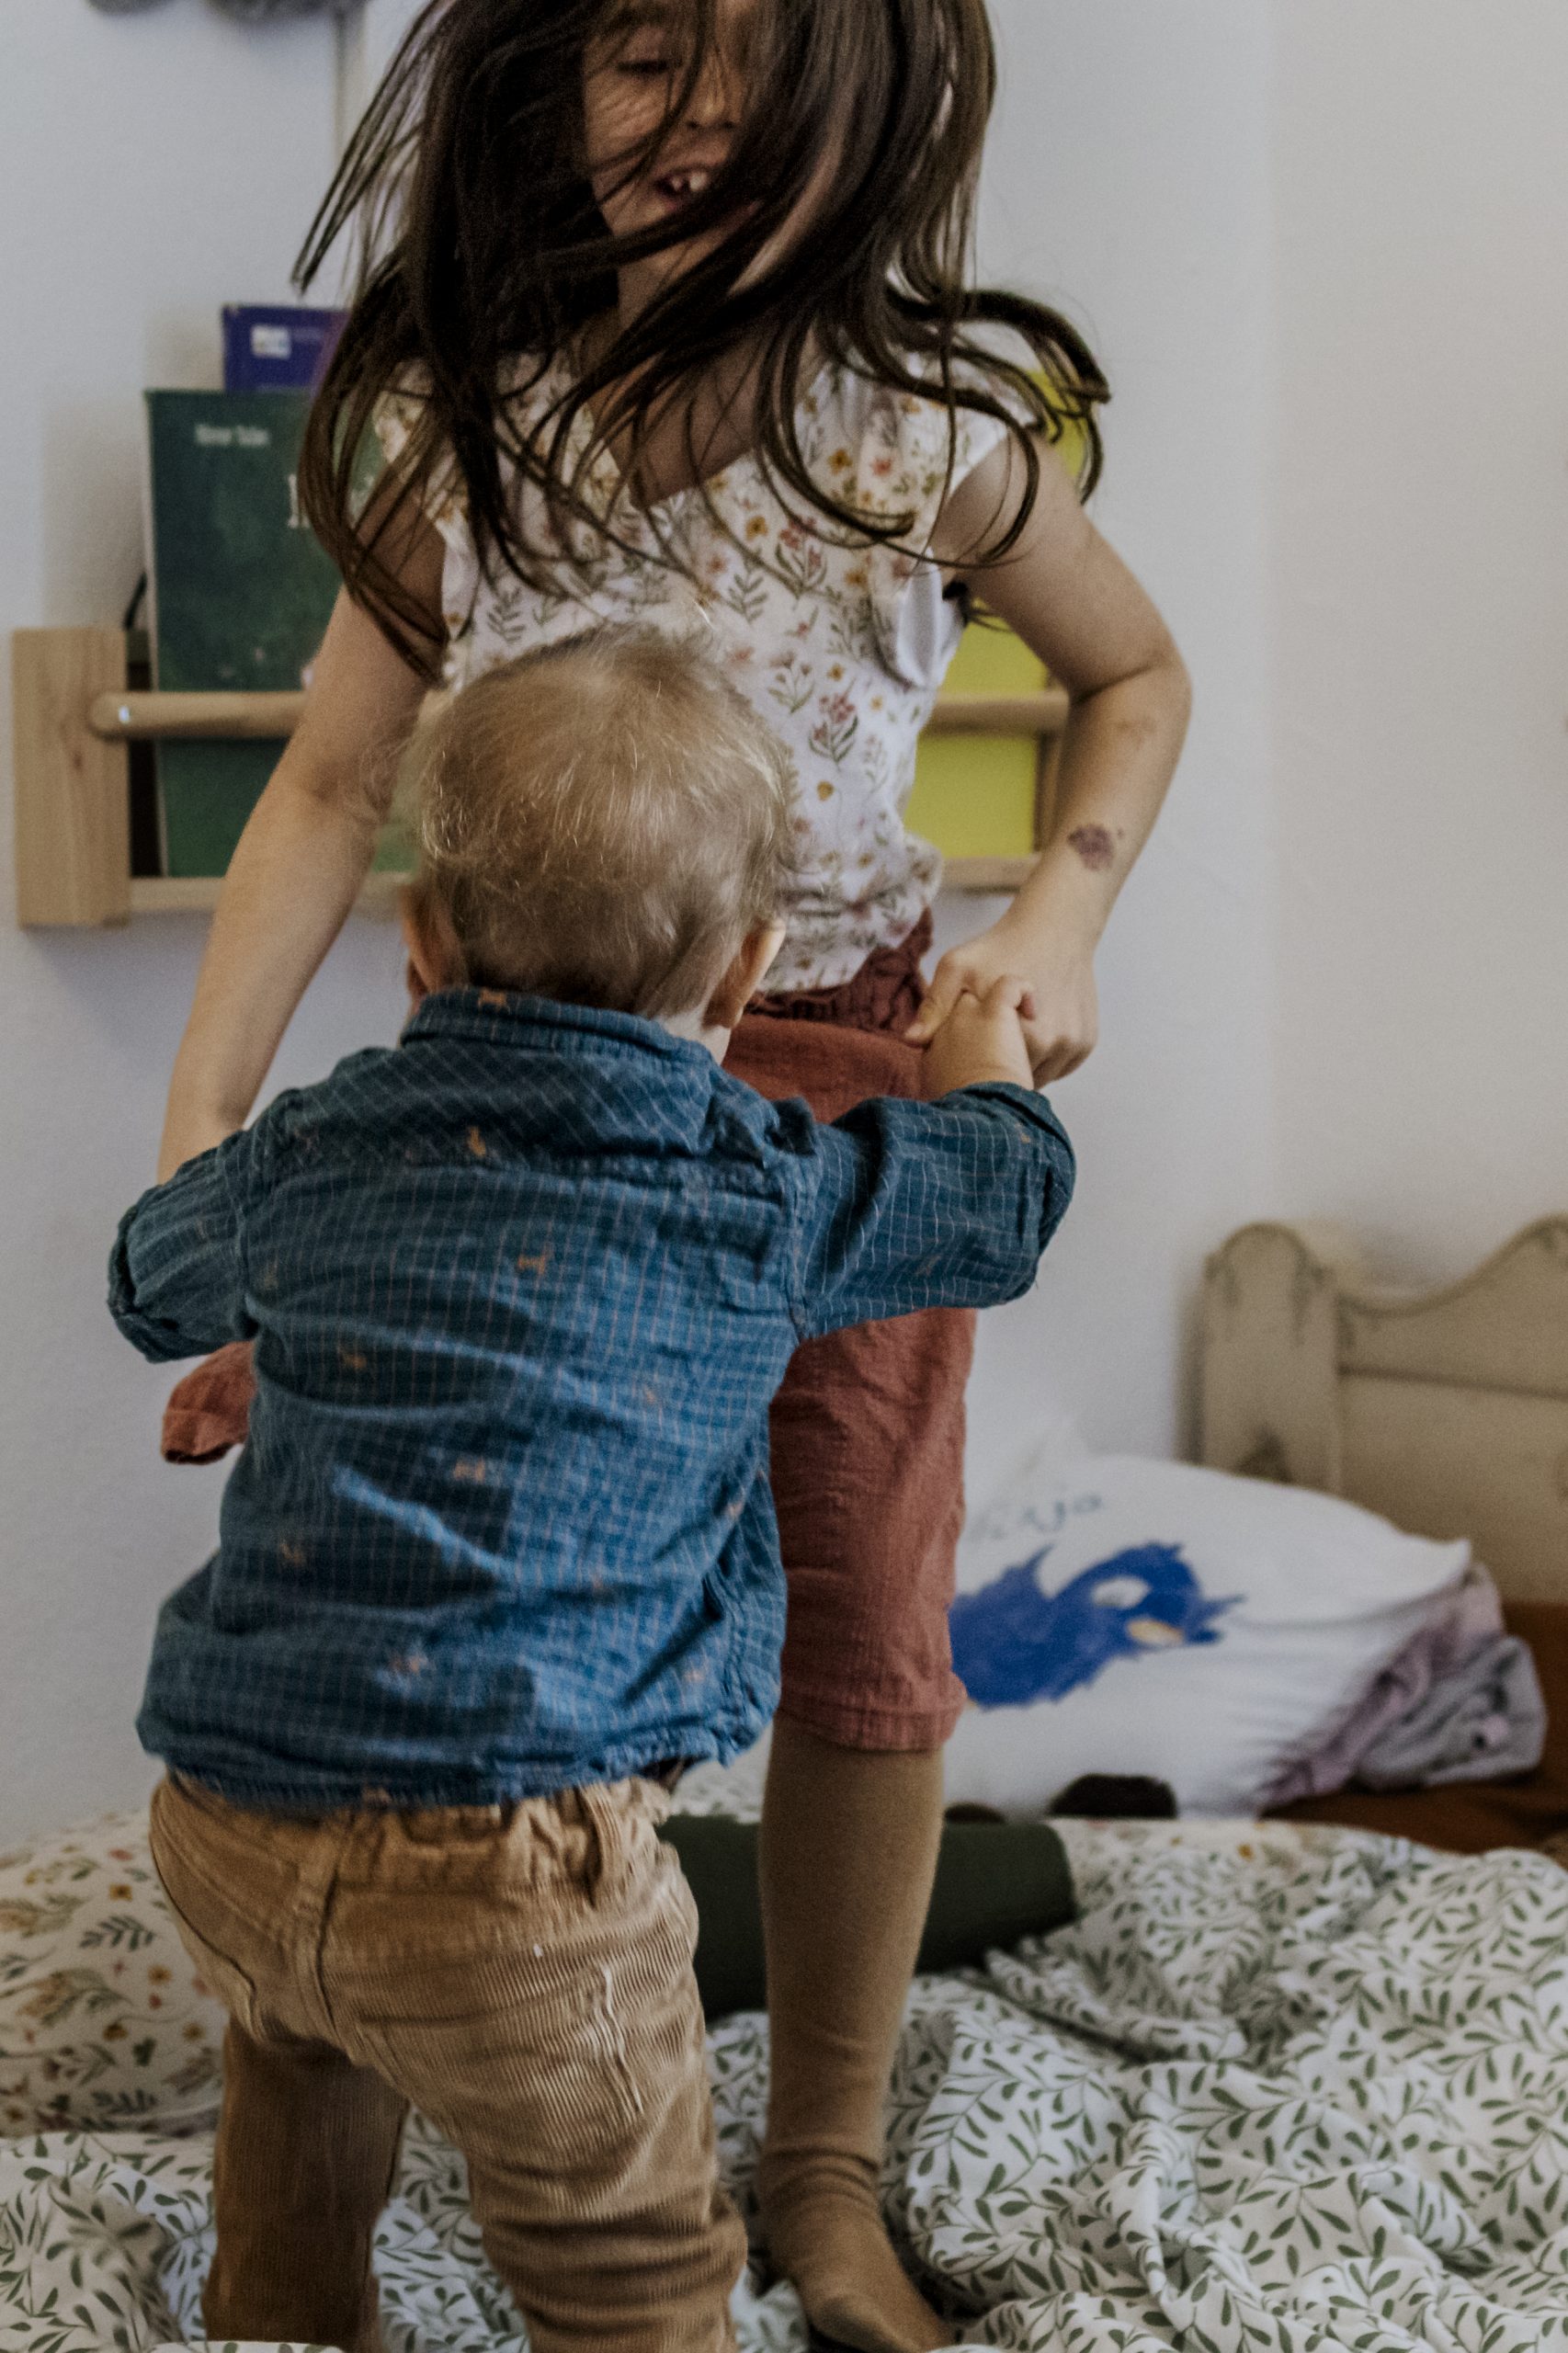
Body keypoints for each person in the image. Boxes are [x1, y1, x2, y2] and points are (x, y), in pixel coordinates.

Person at [153, 4, 1189, 2343]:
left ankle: (813, 2167)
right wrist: (208, 1137)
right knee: (451, 1591)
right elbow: (326, 789)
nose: (691, 119)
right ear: (556, 87)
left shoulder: (924, 438)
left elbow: (1137, 678)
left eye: (750, 68)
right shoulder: (478, 426)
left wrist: (1058, 912)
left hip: (828, 1085)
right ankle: (399, 2069)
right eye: (637, 55)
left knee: (861, 1617)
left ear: (869, 107)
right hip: (502, 1085)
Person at [113, 631, 1076, 2353]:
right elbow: (995, 1204)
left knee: (298, 2122)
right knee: (632, 2277)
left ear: (420, 939)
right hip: (518, 1884)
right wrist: (980, 1051)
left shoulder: (323, 1142)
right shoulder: (759, 1187)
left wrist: (249, 1195)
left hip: (229, 1823)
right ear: (753, 972)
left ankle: (286, 2317)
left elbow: (149, 1284)